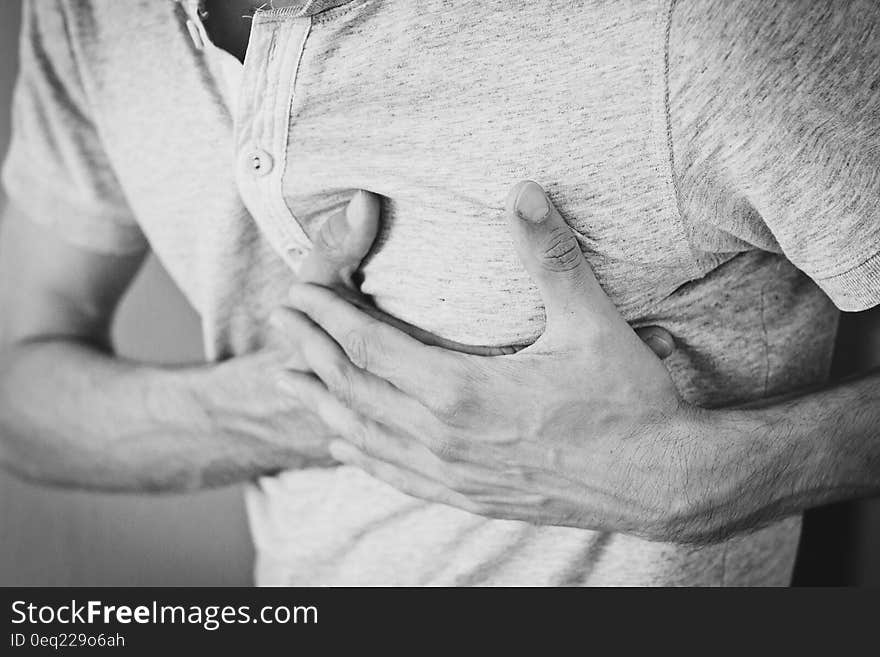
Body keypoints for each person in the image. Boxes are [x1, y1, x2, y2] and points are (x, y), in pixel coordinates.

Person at [0, 0, 877, 586]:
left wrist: (716, 477)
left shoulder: (705, 28)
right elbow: (18, 391)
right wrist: (310, 406)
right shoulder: (94, 18)